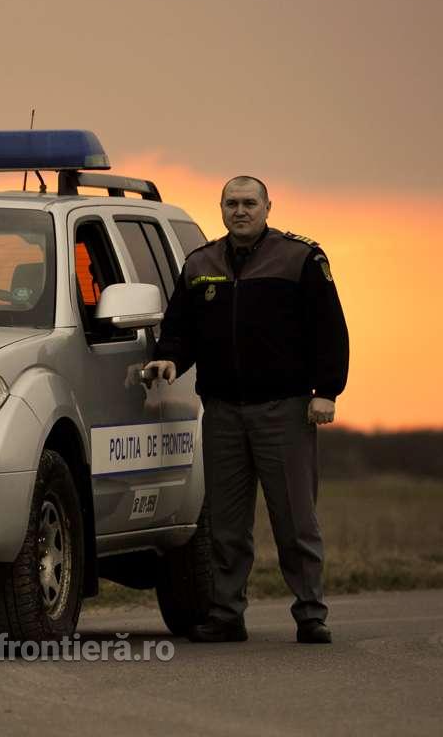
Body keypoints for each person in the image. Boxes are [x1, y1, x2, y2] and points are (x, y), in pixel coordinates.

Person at [144, 175, 348, 644]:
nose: (241, 211)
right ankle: (226, 614)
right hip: (222, 413)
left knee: (295, 520)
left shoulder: (301, 258)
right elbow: (180, 329)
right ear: (221, 208)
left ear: (268, 207)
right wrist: (169, 358)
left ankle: (310, 614)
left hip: (284, 411)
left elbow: (330, 330)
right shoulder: (200, 264)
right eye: (232, 203)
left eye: (250, 203)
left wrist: (327, 391)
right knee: (226, 524)